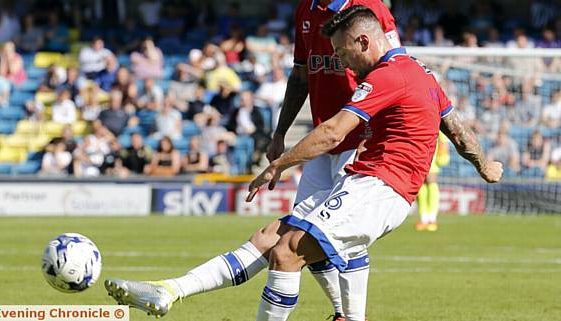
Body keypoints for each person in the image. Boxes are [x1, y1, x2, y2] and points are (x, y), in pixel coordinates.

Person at [104, 1, 402, 321]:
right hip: (322, 143)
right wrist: (280, 133)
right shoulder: (306, 10)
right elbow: (301, 76)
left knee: (301, 245)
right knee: (287, 240)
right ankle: (171, 289)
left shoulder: (368, 8)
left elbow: (393, 71)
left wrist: (376, 134)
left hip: (359, 142)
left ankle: (172, 289)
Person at [241, 8, 501, 320]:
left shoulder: (387, 75)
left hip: (379, 186)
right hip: (377, 186)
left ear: (364, 41)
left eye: (341, 51)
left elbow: (332, 132)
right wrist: (486, 166)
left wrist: (280, 164)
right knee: (305, 246)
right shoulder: (423, 72)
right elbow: (459, 134)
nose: (341, 61)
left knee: (287, 251)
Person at [415, 132, 450, 232]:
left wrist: (443, 155)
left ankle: (432, 218)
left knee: (431, 182)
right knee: (421, 185)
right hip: (420, 154)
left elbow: (443, 138)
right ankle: (424, 218)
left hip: (432, 155)